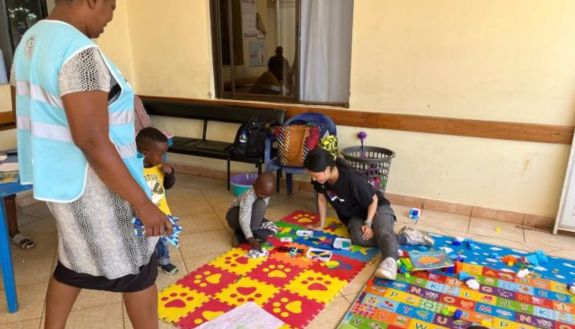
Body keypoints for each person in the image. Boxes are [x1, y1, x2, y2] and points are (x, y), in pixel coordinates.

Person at [10, 1, 172, 328]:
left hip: (61, 182)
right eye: (110, 7)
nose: (110, 17)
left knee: (73, 262)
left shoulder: (31, 42)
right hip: (99, 185)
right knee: (139, 270)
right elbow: (91, 140)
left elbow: (31, 117)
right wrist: (141, 203)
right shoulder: (79, 53)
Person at [303, 148, 434, 280]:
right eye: (312, 175)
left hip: (376, 207)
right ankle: (405, 237)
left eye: (316, 175)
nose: (313, 178)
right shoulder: (320, 181)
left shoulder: (352, 179)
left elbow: (373, 200)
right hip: (354, 216)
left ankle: (390, 262)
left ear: (327, 169)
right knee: (358, 238)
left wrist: (368, 223)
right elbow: (321, 199)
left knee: (382, 231)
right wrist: (321, 224)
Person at [136, 127, 178, 275]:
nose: (163, 158)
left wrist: (170, 174)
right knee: (143, 242)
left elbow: (168, 186)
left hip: (162, 212)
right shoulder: (136, 170)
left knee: (162, 241)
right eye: (160, 155)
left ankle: (164, 262)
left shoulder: (159, 168)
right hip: (144, 217)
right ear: (145, 153)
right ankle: (143, 264)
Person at [226, 172, 278, 252]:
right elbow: (244, 218)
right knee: (259, 205)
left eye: (267, 195)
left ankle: (248, 234)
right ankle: (240, 234)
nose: (264, 197)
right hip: (236, 217)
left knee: (273, 228)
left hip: (250, 216)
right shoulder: (248, 196)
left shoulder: (265, 193)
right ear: (254, 185)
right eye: (261, 194)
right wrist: (251, 239)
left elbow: (258, 213)